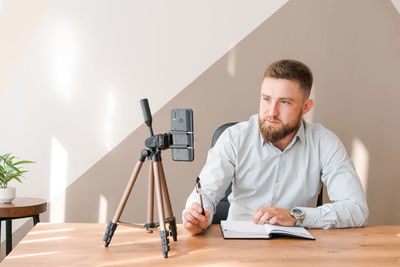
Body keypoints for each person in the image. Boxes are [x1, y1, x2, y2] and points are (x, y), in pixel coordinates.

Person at [182, 59, 368, 234]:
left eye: (285, 102)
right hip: (238, 245)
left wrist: (295, 216)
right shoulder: (234, 138)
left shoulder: (324, 142)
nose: (272, 112)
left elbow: (356, 208)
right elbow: (205, 192)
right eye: (266, 99)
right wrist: (196, 215)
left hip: (297, 250)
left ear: (306, 107)